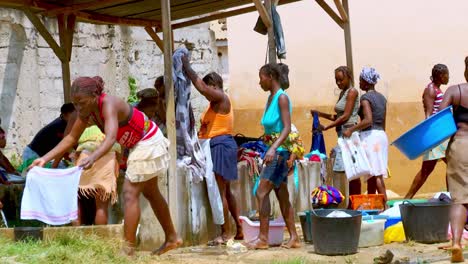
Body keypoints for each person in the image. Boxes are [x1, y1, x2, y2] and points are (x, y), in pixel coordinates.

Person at [29, 76, 181, 255]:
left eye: (81, 103)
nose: (78, 108)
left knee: (130, 193)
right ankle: (172, 237)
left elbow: (110, 138)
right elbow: (71, 138)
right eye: (75, 103)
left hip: (147, 139)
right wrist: (44, 159)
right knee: (151, 193)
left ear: (95, 95)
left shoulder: (109, 104)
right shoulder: (87, 110)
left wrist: (92, 157)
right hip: (138, 144)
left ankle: (128, 251)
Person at [182, 57, 243, 244]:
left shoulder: (221, 97)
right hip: (219, 144)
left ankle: (226, 233)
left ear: (215, 85)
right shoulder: (215, 104)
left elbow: (201, 88)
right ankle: (238, 229)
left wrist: (187, 67)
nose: (207, 92)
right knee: (225, 191)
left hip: (220, 144)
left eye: (210, 87)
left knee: (219, 190)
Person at [246, 63, 300, 249]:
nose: (259, 81)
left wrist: (272, 148)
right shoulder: (271, 98)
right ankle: (294, 237)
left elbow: (286, 127)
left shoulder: (281, 98)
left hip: (278, 154)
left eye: (261, 77)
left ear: (270, 76)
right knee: (282, 195)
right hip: (274, 151)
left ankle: (263, 239)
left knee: (261, 192)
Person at [311, 66, 361, 198]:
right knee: (346, 168)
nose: (338, 83)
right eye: (336, 80)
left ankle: (351, 200)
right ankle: (348, 200)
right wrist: (320, 114)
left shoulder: (352, 92)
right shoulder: (342, 93)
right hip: (341, 134)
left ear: (348, 77)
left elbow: (345, 116)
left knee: (348, 169)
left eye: (341, 80)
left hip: (348, 133)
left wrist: (326, 127)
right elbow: (337, 117)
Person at [343, 67, 388, 205]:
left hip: (370, 136)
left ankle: (384, 205)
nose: (360, 83)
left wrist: (352, 129)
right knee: (373, 174)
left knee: (376, 175)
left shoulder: (365, 98)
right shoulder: (382, 98)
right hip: (381, 135)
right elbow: (383, 122)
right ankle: (374, 204)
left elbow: (368, 120)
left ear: (367, 82)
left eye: (361, 80)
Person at [438, 56, 468, 263]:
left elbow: (438, 122)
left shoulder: (455, 91)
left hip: (461, 145)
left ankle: (456, 242)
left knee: (460, 198)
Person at [404, 64, 449, 199]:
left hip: (440, 132)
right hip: (435, 134)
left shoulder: (436, 89)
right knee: (429, 170)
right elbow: (429, 115)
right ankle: (407, 199)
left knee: (446, 166)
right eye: (447, 74)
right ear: (440, 76)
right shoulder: (430, 89)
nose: (448, 77)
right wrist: (431, 137)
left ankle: (452, 196)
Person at [72, 125, 121, 226]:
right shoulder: (112, 128)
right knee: (102, 206)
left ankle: (75, 235)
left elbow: (77, 154)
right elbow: (119, 156)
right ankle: (101, 238)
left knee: (76, 203)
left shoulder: (86, 128)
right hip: (108, 160)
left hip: (85, 159)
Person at [22, 103, 76, 170]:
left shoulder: (64, 123)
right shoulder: (59, 126)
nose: (75, 118)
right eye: (73, 115)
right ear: (64, 115)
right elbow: (62, 149)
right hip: (33, 154)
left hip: (41, 156)